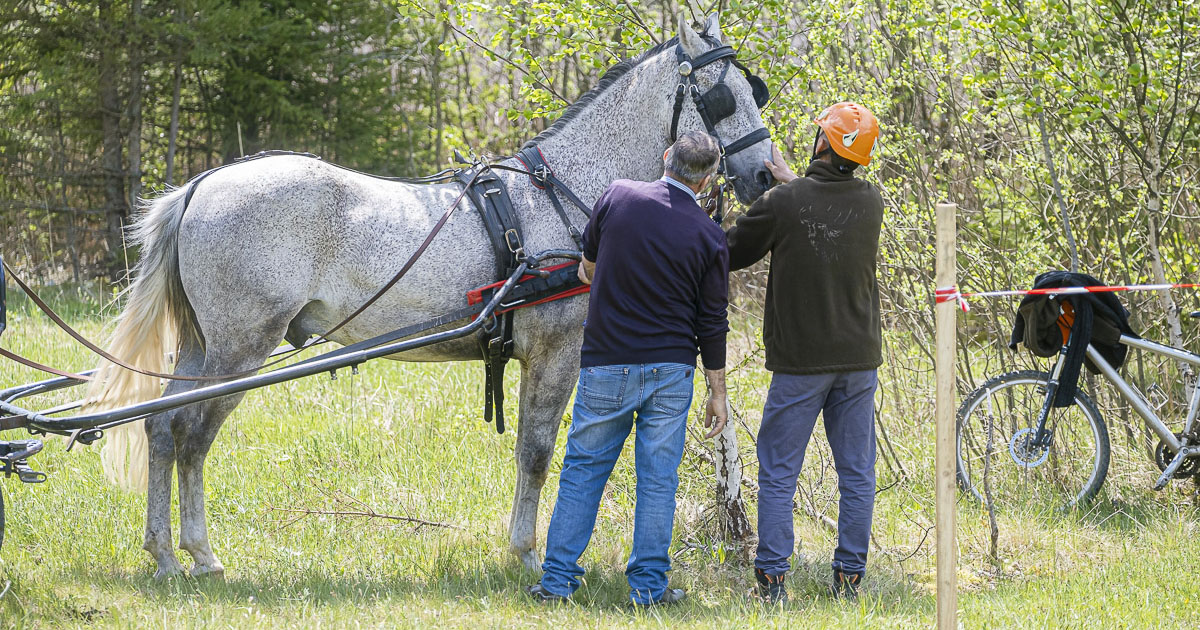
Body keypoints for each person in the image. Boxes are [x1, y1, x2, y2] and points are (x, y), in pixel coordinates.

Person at [525, 130, 730, 607]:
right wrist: (717, 392)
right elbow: (712, 324)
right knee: (658, 480)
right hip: (671, 372)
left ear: (666, 158)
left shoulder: (618, 196)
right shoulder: (710, 236)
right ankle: (648, 590)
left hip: (606, 365)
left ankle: (556, 584)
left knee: (582, 471)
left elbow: (587, 270)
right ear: (706, 182)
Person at [725, 102, 884, 604]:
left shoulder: (785, 203)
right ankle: (849, 581)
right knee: (856, 472)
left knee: (777, 471)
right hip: (859, 360)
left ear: (823, 143)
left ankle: (772, 581)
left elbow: (729, 251)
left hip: (800, 364)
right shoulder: (871, 202)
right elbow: (824, 210)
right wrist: (789, 184)